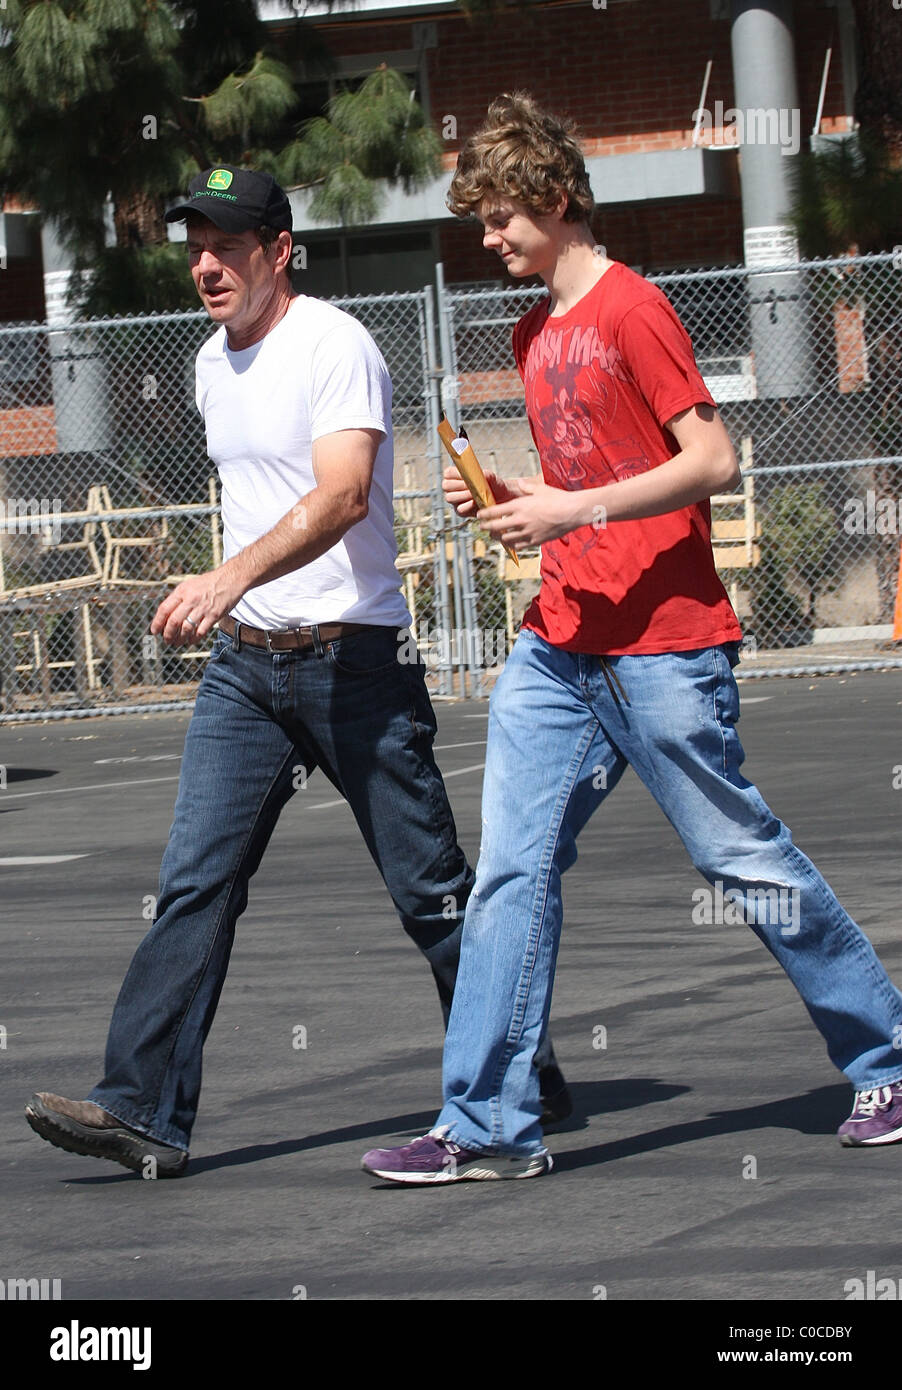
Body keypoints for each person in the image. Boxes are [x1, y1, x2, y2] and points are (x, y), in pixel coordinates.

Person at [361, 94, 902, 1185]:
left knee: (735, 856)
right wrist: (524, 495)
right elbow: (585, 476)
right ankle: (484, 1126)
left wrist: (574, 509)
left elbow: (711, 459)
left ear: (556, 202)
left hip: (662, 644)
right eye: (477, 221)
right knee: (510, 872)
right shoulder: (531, 332)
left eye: (500, 217)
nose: (486, 238)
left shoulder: (631, 310)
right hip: (560, 642)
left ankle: (885, 1057)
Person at [25, 164, 566, 1178]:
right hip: (246, 673)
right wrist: (227, 590)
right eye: (195, 245)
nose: (205, 264)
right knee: (194, 884)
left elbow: (343, 496)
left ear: (278, 250)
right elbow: (257, 497)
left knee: (432, 893)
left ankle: (516, 1070)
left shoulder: (334, 345)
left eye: (227, 245)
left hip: (355, 663)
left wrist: (227, 576)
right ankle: (140, 1107)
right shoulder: (203, 364)